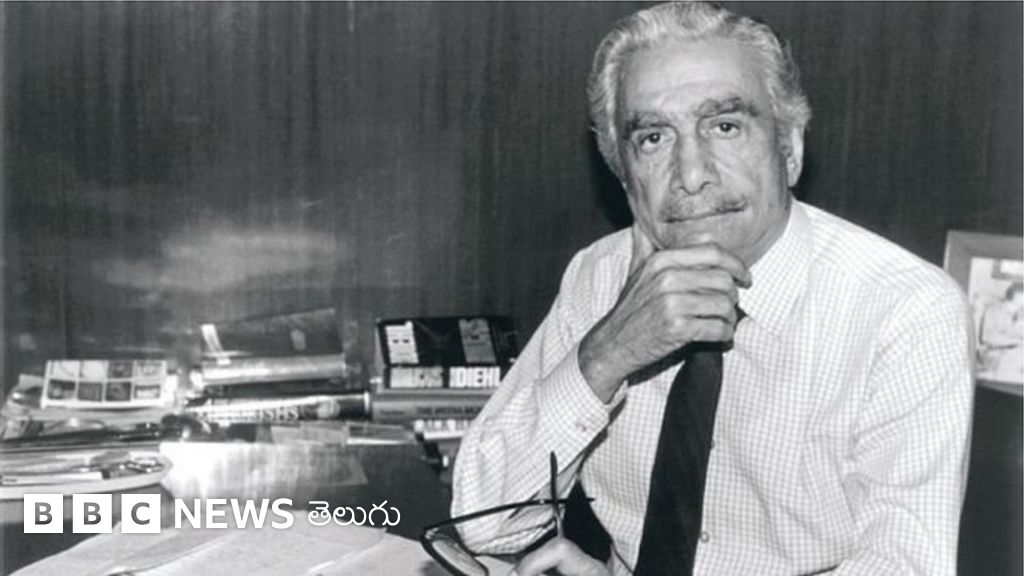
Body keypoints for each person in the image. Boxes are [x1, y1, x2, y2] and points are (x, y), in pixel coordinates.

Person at [451, 2, 974, 575]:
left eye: (725, 126)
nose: (692, 174)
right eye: (653, 138)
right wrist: (607, 354)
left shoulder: (906, 310)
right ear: (623, 175)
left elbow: (903, 565)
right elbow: (485, 524)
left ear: (789, 148)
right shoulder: (599, 276)